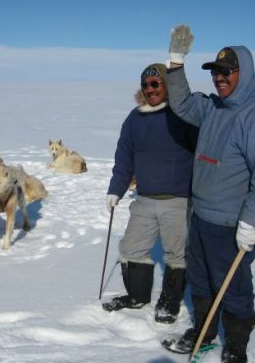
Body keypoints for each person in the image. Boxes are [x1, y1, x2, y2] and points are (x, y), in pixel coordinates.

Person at [161, 25, 255, 363]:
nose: (219, 78)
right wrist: (175, 62)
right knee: (200, 281)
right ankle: (204, 332)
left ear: (244, 73)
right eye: (216, 72)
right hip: (199, 217)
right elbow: (182, 103)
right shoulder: (213, 109)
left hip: (230, 225)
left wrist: (251, 221)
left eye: (227, 72)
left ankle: (237, 345)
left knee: (234, 287)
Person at [103, 62, 198, 325]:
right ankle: (137, 296)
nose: (150, 89)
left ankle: (169, 302)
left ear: (167, 85)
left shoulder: (182, 115)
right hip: (144, 199)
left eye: (155, 84)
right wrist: (115, 190)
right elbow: (124, 159)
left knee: (176, 254)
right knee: (131, 248)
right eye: (145, 85)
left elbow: (202, 154)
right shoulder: (135, 118)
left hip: (177, 200)